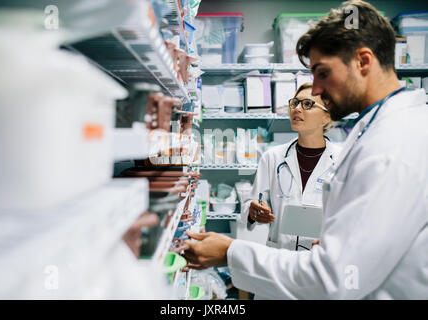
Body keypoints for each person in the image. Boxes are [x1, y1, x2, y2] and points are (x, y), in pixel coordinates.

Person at [183, 0, 428, 299]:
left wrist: (231, 252)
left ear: (363, 61)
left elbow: (335, 278)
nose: (315, 89)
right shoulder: (376, 129)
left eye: (322, 73)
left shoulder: (394, 143)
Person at [243, 82, 341, 256]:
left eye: (308, 104)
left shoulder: (342, 159)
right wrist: (253, 212)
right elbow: (251, 204)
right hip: (281, 256)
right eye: (295, 103)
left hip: (322, 257)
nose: (297, 109)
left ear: (327, 117)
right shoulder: (273, 157)